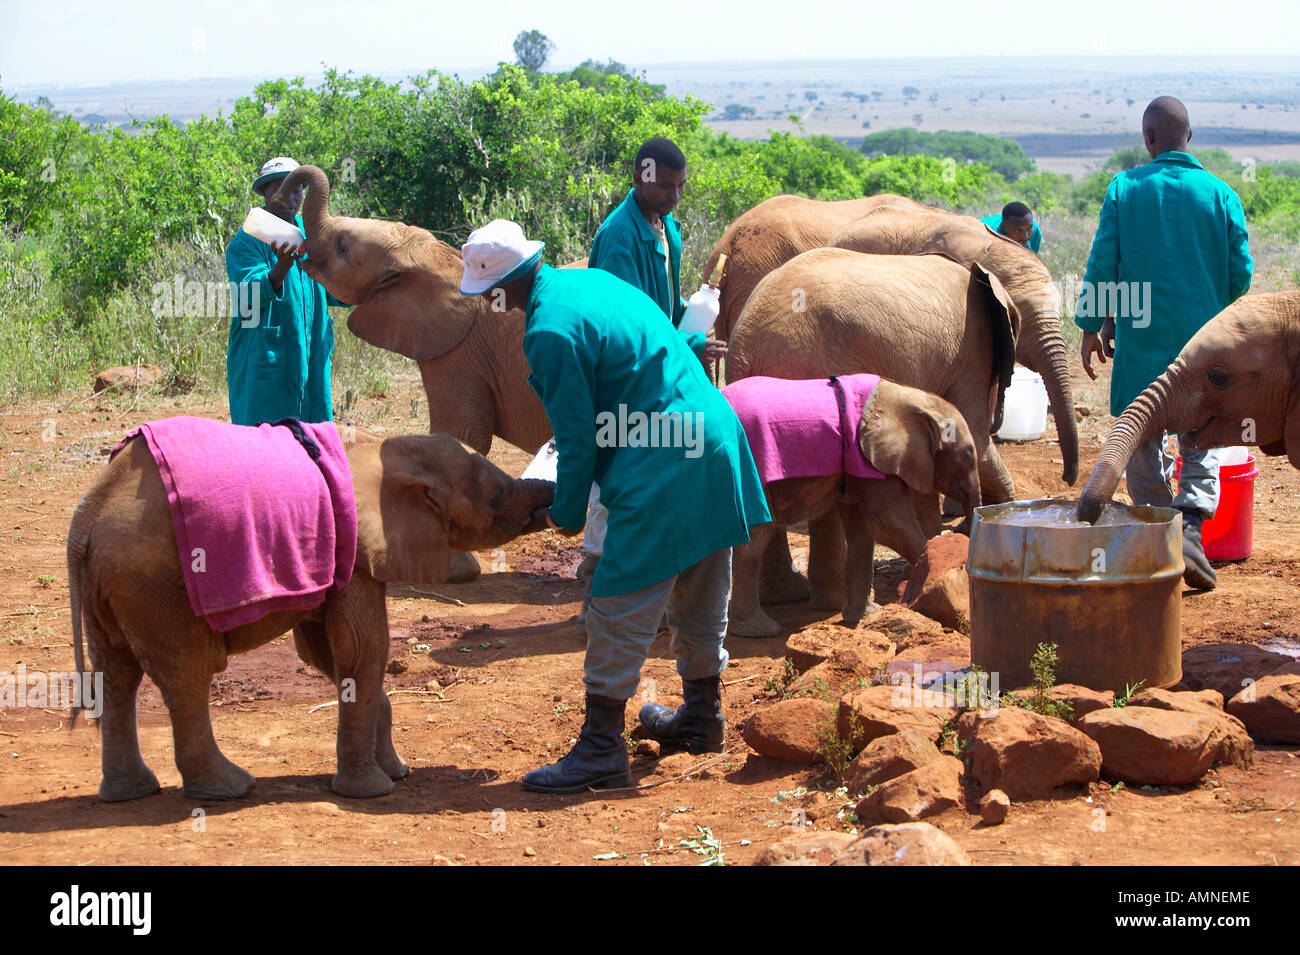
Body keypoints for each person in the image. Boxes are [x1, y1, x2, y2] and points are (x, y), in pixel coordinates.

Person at [460, 219, 769, 794]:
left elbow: (576, 439)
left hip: (663, 458)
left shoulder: (548, 330)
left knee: (617, 601)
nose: (490, 305)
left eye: (487, 294)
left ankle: (601, 748)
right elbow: (665, 349)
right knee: (701, 586)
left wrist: (565, 513)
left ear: (502, 286)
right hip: (713, 438)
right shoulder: (594, 283)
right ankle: (703, 717)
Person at [1076, 96, 1253, 590]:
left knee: (1141, 432)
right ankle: (1192, 528)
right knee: (1202, 434)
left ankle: (1159, 531)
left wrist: (1095, 323)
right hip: (1205, 345)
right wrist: (1216, 310)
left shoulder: (1125, 189)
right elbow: (1241, 272)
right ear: (1189, 137)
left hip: (1144, 341)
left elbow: (1104, 260)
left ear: (1149, 139)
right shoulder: (1221, 195)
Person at [578, 138, 725, 632]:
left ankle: (646, 589)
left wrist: (693, 331)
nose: (673, 195)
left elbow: (662, 311)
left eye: (679, 186)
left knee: (651, 474)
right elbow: (626, 322)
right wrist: (687, 348)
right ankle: (598, 591)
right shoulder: (619, 236)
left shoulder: (667, 231)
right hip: (626, 375)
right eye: (664, 185)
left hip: (659, 367)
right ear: (641, 176)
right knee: (615, 480)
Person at [225, 157, 349, 426]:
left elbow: (329, 288)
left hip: (311, 353)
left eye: (296, 189)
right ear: (266, 193)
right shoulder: (248, 240)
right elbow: (247, 294)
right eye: (279, 189)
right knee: (266, 440)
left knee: (312, 437)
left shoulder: (311, 233)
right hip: (266, 359)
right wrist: (281, 267)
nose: (290, 198)